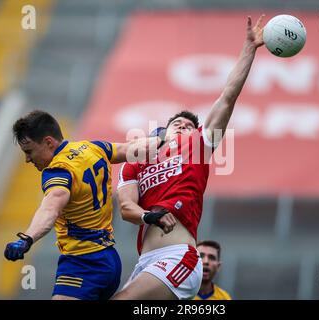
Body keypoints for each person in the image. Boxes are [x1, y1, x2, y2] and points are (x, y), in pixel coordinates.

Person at [113, 15, 265, 300]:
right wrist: (150, 215)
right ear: (162, 131)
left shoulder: (198, 145)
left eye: (189, 125)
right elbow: (126, 210)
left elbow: (228, 96)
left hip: (178, 258)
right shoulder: (136, 159)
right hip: (145, 262)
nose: (183, 127)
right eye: (177, 124)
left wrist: (249, 48)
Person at [3, 110, 160, 300]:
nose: (27, 159)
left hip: (84, 263)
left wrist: (26, 239)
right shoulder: (91, 148)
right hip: (108, 259)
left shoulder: (58, 171)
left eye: (29, 151)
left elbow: (50, 209)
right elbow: (129, 150)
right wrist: (162, 139)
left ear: (48, 142)